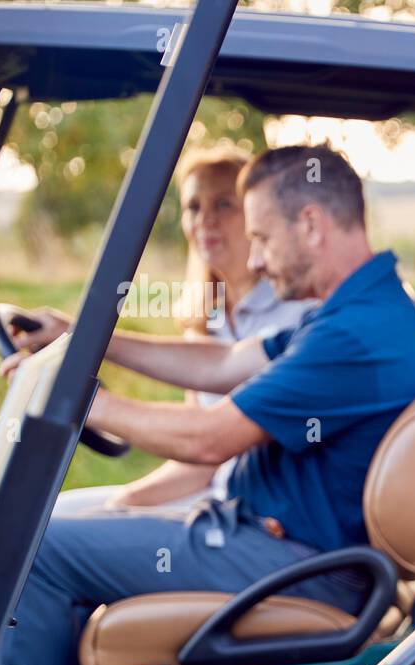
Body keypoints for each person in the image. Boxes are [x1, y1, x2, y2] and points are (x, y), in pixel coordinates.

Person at [0, 144, 415, 665]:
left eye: (263, 239)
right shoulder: (356, 308)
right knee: (52, 533)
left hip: (297, 563)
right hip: (260, 537)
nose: (260, 261)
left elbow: (208, 440)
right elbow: (222, 364)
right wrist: (84, 338)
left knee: (32, 547)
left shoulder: (359, 331)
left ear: (312, 225)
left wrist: (78, 397)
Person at [51, 146, 314, 516]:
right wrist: (126, 501)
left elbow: (209, 442)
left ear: (257, 216)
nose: (205, 220)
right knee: (47, 515)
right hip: (209, 493)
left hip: (255, 512)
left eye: (223, 205)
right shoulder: (207, 319)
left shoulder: (297, 317)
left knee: (49, 543)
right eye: (193, 207)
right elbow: (198, 465)